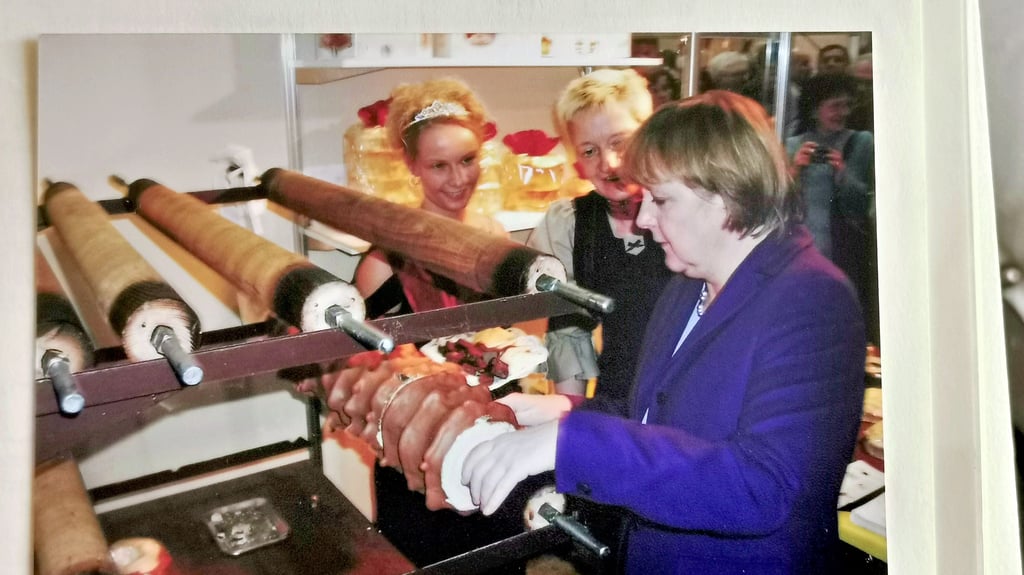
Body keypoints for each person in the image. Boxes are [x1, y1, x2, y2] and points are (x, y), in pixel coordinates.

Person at [460, 90, 866, 573]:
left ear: (726, 193)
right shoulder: (686, 286)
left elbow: (759, 488)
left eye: (661, 199)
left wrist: (572, 442)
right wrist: (563, 411)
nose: (644, 217)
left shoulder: (811, 298)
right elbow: (653, 415)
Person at [527, 68, 674, 407]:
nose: (609, 163)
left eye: (619, 142)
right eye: (589, 151)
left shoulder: (685, 208)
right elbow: (569, 333)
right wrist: (571, 429)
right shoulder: (570, 224)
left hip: (690, 399)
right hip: (618, 399)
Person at [355, 77, 506, 319]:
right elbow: (369, 355)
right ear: (411, 164)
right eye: (439, 166)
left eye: (467, 160)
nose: (458, 179)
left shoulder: (495, 236)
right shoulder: (385, 264)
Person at [786, 72, 877, 345]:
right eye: (834, 106)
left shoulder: (861, 143)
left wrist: (842, 173)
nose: (842, 113)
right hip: (800, 247)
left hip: (843, 250)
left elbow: (864, 202)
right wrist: (794, 169)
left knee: (839, 320)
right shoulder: (791, 145)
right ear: (815, 109)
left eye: (846, 105)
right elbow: (778, 200)